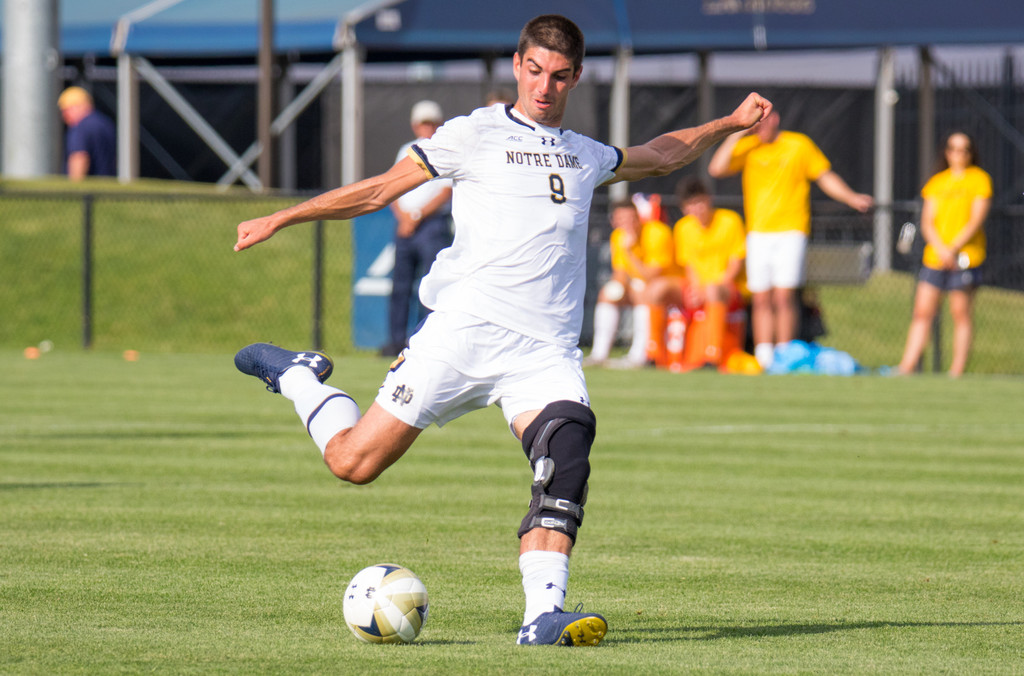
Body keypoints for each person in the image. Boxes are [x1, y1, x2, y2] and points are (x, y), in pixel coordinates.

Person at [233, 14, 771, 647]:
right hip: (462, 335)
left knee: (567, 450)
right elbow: (380, 190)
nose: (545, 87)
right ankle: (298, 377)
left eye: (560, 76)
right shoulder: (474, 134)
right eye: (535, 70)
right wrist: (284, 217)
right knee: (353, 462)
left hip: (543, 353)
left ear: (575, 78)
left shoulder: (584, 152)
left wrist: (728, 124)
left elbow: (658, 156)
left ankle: (542, 615)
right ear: (519, 65)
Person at [708, 109, 872, 369]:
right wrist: (737, 133)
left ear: (775, 120)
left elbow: (824, 176)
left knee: (784, 296)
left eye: (763, 122)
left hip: (791, 230)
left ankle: (785, 354)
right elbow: (716, 168)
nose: (760, 128)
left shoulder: (798, 145)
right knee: (761, 297)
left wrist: (851, 197)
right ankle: (764, 355)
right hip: (758, 232)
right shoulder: (749, 147)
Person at [895, 131, 992, 378]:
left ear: (971, 153)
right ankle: (906, 367)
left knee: (960, 313)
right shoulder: (937, 182)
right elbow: (927, 222)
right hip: (935, 257)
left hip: (965, 257)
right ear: (946, 152)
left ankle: (956, 371)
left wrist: (953, 248)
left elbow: (975, 219)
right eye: (953, 148)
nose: (958, 154)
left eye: (964, 149)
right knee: (922, 312)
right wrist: (941, 248)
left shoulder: (979, 179)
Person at [643, 177, 747, 369]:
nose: (697, 209)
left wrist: (710, 288)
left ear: (709, 200)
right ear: (684, 208)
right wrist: (696, 288)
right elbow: (688, 265)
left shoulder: (730, 220)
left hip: (725, 287)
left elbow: (735, 264)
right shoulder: (683, 227)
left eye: (700, 202)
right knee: (656, 288)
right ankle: (654, 354)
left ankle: (711, 356)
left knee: (714, 290)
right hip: (696, 285)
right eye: (691, 204)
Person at [382, 100, 454, 357]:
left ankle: (426, 340)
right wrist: (404, 217)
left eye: (432, 122)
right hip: (406, 226)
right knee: (400, 286)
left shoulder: (445, 148)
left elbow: (445, 191)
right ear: (415, 125)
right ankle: (395, 341)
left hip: (431, 225)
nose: (428, 127)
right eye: (424, 123)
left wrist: (416, 215)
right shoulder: (406, 150)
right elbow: (391, 188)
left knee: (431, 286)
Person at [586, 196, 676, 368]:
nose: (627, 223)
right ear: (614, 221)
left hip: (667, 286)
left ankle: (639, 355)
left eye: (631, 218)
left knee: (644, 292)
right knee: (608, 294)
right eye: (621, 219)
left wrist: (630, 252)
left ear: (638, 217)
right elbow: (620, 274)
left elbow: (652, 277)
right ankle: (599, 354)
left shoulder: (657, 232)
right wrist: (620, 287)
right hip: (640, 285)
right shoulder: (617, 236)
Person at [57, 86, 116, 180]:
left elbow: (79, 157)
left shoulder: (81, 127)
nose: (64, 117)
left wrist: (75, 189)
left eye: (66, 110)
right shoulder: (105, 123)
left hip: (89, 192)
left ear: (78, 106)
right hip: (107, 187)